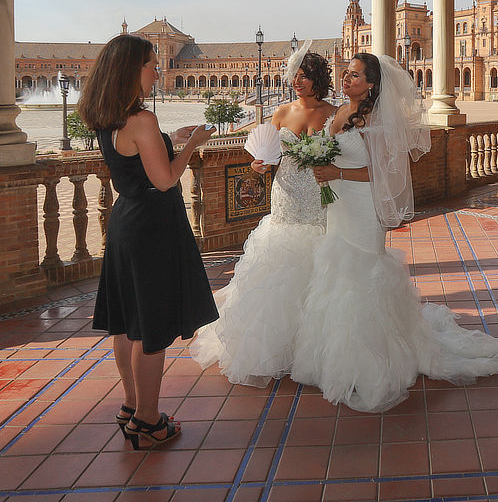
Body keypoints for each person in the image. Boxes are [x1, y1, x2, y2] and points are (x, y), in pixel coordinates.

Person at [292, 53, 498, 413]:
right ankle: (336, 354)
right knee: (336, 273)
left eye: (355, 76)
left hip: (362, 207)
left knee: (362, 275)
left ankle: (371, 360)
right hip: (339, 206)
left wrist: (337, 174)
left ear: (372, 84)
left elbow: (388, 176)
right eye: (346, 74)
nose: (346, 80)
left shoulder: (378, 121)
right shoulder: (339, 114)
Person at [78, 34, 218, 449]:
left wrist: (168, 139)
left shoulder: (107, 116)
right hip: (152, 226)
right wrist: (192, 144)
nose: (158, 70)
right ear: (132, 70)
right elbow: (164, 179)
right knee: (151, 327)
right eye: (152, 64)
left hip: (125, 222)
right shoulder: (142, 120)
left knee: (126, 323)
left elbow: (137, 160)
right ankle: (150, 420)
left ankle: (130, 404)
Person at [190, 44, 336, 384]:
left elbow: (344, 155)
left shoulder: (333, 113)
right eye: (294, 77)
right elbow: (268, 157)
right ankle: (276, 342)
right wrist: (258, 165)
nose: (297, 82)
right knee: (280, 258)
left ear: (318, 79)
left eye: (304, 77)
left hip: (318, 193)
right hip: (285, 193)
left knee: (317, 254)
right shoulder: (282, 112)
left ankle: (313, 341)